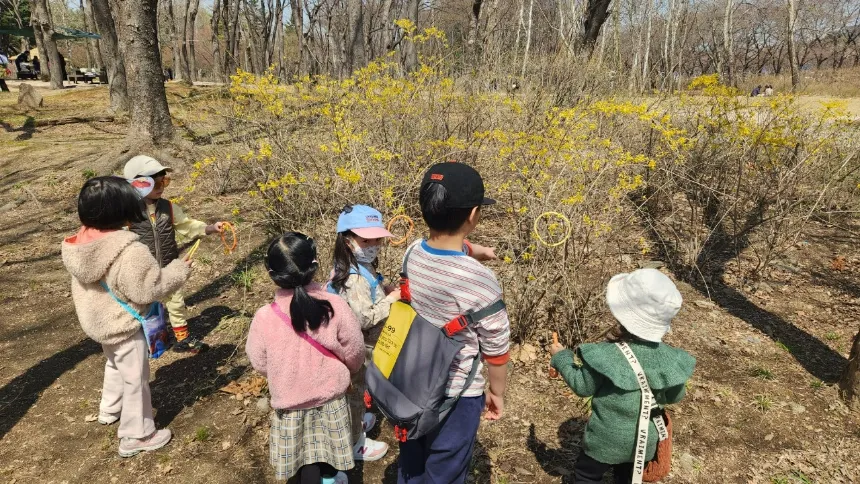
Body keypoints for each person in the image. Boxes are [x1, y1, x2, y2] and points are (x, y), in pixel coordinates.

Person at [397, 162, 511, 484]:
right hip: (457, 395)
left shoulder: (412, 253)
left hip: (410, 381)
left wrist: (476, 250)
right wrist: (497, 392)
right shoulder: (480, 281)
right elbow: (496, 349)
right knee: (445, 468)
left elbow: (448, 250)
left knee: (411, 459)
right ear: (473, 215)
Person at [61, 176, 191, 457]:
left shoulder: (81, 243)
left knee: (114, 364)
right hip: (124, 324)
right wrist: (179, 270)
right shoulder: (130, 251)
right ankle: (137, 434)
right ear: (125, 211)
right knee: (135, 378)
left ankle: (110, 409)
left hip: (100, 323)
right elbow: (149, 289)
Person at [549, 268, 696, 484]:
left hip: (604, 439)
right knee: (627, 477)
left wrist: (561, 357)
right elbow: (675, 396)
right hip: (644, 442)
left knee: (586, 476)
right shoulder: (671, 360)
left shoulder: (605, 356)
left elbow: (582, 386)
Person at [246, 232, 365, 483]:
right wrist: (350, 370)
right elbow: (354, 350)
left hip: (290, 404)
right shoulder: (334, 305)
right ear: (314, 265)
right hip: (330, 400)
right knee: (327, 453)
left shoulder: (264, 317)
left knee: (303, 461)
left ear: (271, 273)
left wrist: (280, 373)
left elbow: (258, 361)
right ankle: (330, 477)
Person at [124, 155, 227, 353]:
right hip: (142, 269)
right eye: (155, 183)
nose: (161, 187)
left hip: (169, 264)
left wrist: (210, 228)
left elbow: (187, 225)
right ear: (137, 184)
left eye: (164, 181)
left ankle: (182, 337)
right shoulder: (128, 212)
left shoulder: (168, 208)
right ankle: (151, 339)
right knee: (144, 304)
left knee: (176, 301)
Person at [327, 204, 396, 462]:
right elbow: (364, 318)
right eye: (366, 240)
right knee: (355, 393)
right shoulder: (353, 278)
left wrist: (383, 289)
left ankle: (356, 424)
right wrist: (391, 301)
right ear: (347, 241)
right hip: (356, 347)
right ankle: (354, 442)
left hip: (356, 344)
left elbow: (368, 293)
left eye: (377, 239)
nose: (373, 245)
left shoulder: (356, 266)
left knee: (358, 390)